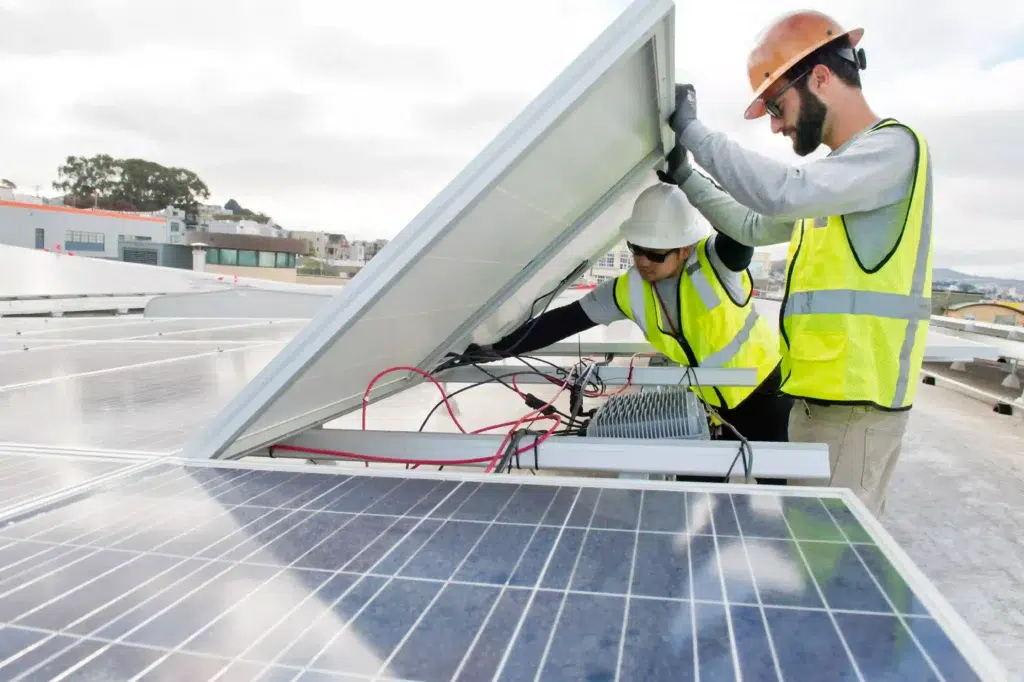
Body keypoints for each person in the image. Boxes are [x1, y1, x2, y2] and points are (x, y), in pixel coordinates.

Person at [658, 10, 934, 514]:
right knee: (813, 553)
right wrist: (685, 174)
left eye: (776, 105)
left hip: (856, 411)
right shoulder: (838, 185)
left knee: (831, 563)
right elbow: (752, 225)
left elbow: (784, 194)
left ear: (822, 78)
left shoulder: (893, 149)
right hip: (817, 403)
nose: (777, 124)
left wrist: (694, 133)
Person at [469, 182, 793, 473]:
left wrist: (692, 178)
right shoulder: (626, 290)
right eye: (635, 248)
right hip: (707, 403)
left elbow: (739, 225)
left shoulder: (717, 263)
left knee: (773, 483)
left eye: (654, 253)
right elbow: (562, 321)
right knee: (698, 485)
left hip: (764, 391)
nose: (642, 261)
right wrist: (496, 348)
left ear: (684, 249)